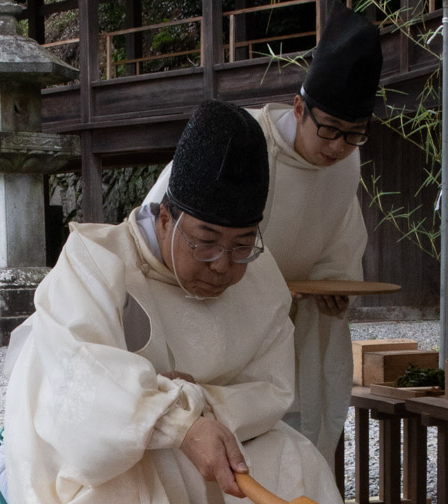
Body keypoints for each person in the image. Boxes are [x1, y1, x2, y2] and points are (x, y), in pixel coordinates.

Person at [0, 99, 345, 504]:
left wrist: (198, 410)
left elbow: (270, 389)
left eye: (242, 245)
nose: (224, 264)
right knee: (143, 472)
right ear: (166, 217)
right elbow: (76, 383)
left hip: (219, 425)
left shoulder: (261, 279)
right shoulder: (97, 262)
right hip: (87, 439)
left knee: (294, 458)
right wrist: (172, 418)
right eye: (205, 241)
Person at [143, 2, 382, 462]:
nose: (338, 147)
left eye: (354, 134)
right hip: (221, 297)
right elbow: (170, 220)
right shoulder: (242, 140)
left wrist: (336, 281)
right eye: (329, 129)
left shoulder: (347, 161)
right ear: (299, 107)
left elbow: (340, 233)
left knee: (296, 422)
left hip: (292, 314)